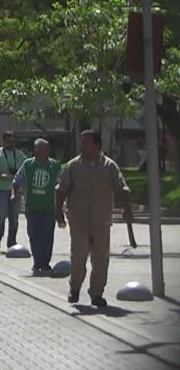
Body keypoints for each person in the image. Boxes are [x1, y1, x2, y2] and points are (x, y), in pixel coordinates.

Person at [56, 130, 132, 307]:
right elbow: (61, 189)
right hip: (79, 220)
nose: (82, 146)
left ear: (97, 145)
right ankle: (74, 288)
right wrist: (57, 210)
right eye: (81, 142)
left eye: (86, 142)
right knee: (79, 256)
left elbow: (121, 188)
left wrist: (127, 207)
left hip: (101, 220)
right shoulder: (73, 166)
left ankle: (97, 293)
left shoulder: (109, 166)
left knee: (100, 259)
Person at [13, 138, 63, 275]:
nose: (40, 153)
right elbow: (17, 180)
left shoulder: (54, 165)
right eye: (37, 150)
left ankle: (45, 263)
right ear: (34, 151)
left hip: (48, 208)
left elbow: (62, 183)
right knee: (34, 236)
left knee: (47, 237)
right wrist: (14, 193)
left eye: (43, 150)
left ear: (48, 151)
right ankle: (37, 262)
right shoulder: (28, 165)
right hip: (32, 208)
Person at [0, 131, 27, 250]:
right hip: (1, 189)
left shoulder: (19, 154)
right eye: (9, 141)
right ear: (4, 141)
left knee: (14, 218)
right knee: (2, 214)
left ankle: (11, 242)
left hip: (16, 189)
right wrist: (7, 176)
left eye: (14, 141)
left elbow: (26, 169)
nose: (12, 144)